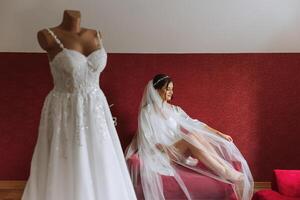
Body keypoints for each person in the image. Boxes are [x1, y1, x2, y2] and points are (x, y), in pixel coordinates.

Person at [22, 10, 137, 200]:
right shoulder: (47, 36)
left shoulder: (97, 34)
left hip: (96, 108)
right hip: (65, 107)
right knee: (69, 157)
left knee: (101, 156)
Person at [126, 74, 254, 200]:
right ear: (156, 90)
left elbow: (196, 124)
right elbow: (147, 140)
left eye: (172, 89)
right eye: (167, 89)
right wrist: (166, 147)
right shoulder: (147, 112)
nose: (171, 92)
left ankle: (224, 168)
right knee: (189, 138)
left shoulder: (175, 110)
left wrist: (219, 133)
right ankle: (226, 172)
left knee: (194, 134)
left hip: (176, 151)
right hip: (159, 154)